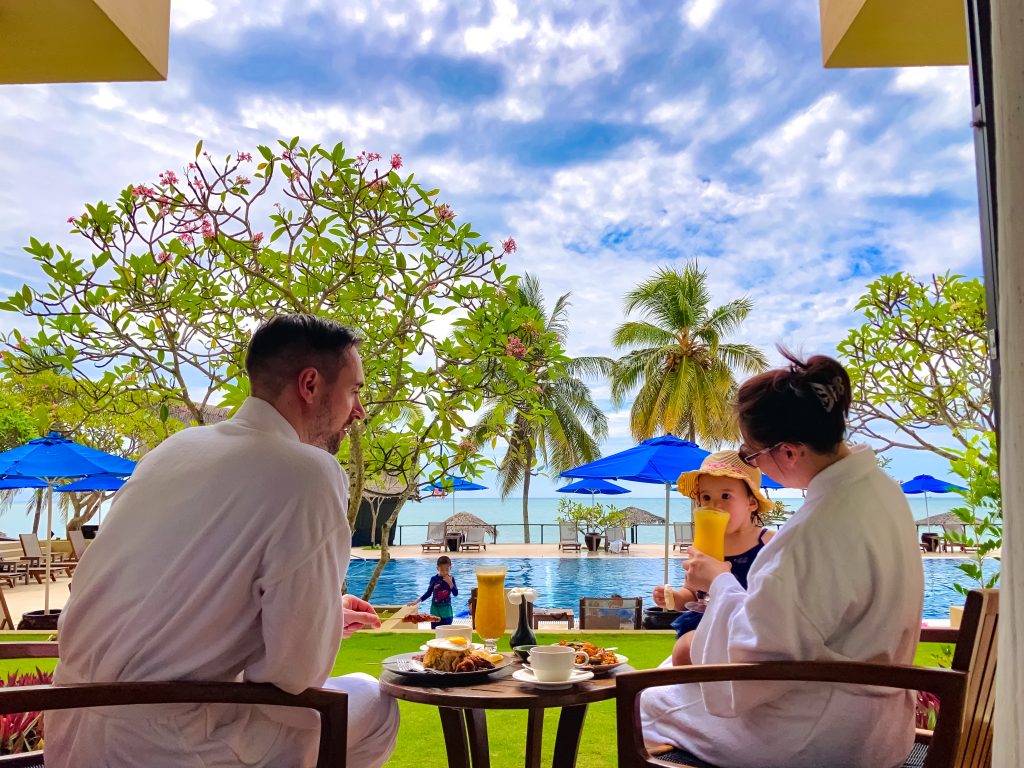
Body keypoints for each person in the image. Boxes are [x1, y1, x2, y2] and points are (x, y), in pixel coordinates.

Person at [48, 314, 399, 768]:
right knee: (373, 701)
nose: (359, 411)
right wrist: (315, 624)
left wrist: (323, 613)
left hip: (69, 734)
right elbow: (291, 678)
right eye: (354, 391)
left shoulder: (172, 452)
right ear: (310, 384)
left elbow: (166, 595)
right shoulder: (308, 472)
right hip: (166, 749)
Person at [640, 351, 923, 768]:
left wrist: (719, 580)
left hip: (822, 738)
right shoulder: (883, 493)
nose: (755, 463)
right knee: (671, 680)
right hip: (881, 724)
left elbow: (753, 668)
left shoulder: (815, 534)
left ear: (788, 452)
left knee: (644, 701)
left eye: (752, 455)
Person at [652, 450, 775, 665]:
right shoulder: (702, 546)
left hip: (750, 624)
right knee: (683, 650)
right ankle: (695, 695)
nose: (714, 505)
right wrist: (673, 598)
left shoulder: (768, 542)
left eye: (725, 496)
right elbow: (692, 592)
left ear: (751, 502)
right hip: (706, 620)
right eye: (706, 497)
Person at [408, 555, 459, 628]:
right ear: (437, 568)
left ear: (450, 568)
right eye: (442, 570)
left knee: (447, 631)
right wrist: (416, 601)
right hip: (435, 610)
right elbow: (428, 593)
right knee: (435, 630)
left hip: (447, 610)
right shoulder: (434, 579)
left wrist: (450, 583)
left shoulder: (451, 579)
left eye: (447, 570)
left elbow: (455, 594)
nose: (444, 572)